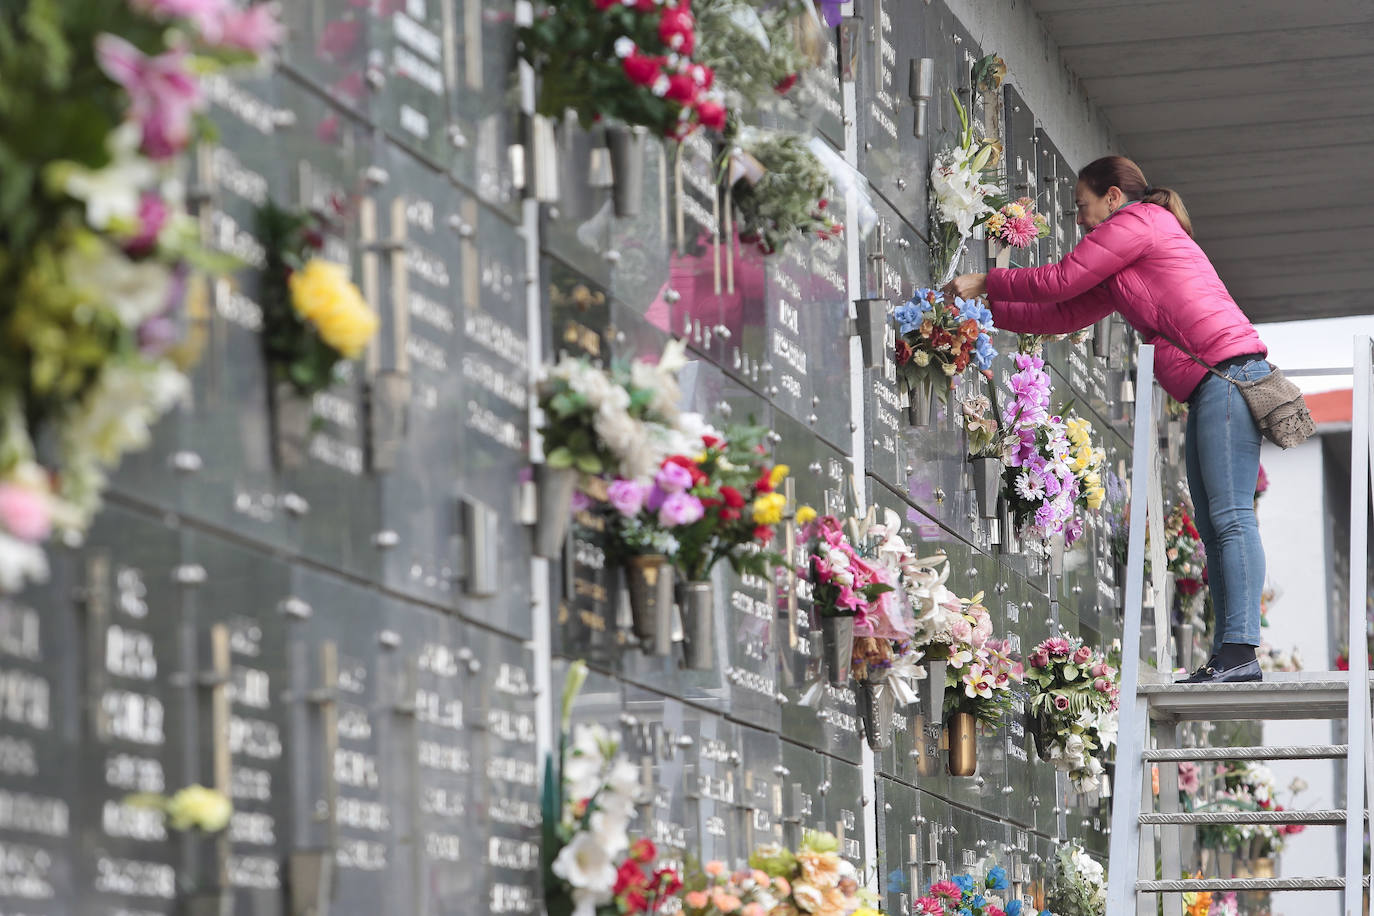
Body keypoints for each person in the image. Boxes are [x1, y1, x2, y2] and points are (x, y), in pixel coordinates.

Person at [945, 155, 1269, 684]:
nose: (1079, 219)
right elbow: (1065, 311)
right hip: (1214, 385)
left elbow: (1061, 278)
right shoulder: (1127, 253)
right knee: (1213, 524)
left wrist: (987, 281)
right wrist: (987, 312)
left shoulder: (1138, 224)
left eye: (1082, 206)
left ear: (1114, 197)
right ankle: (1231, 652)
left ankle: (1241, 650)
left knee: (1230, 517)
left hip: (1228, 378)